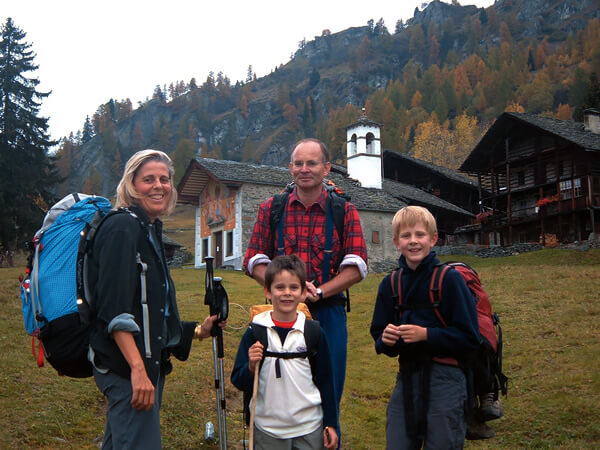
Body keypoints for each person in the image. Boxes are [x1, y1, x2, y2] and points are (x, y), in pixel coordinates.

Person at [88, 149, 226, 449]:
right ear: (131, 185)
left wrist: (197, 331)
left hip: (142, 364)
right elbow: (115, 309)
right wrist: (137, 370)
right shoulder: (122, 227)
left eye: (164, 179)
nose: (159, 186)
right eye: (148, 179)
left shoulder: (147, 228)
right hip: (127, 368)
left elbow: (152, 307)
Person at [243, 138, 368, 441]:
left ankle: (327, 439)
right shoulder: (271, 209)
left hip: (328, 312)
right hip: (282, 313)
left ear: (326, 168)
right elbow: (253, 260)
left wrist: (319, 292)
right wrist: (281, 288)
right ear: (290, 168)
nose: (304, 169)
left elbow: (357, 266)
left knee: (329, 385)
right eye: (298, 163)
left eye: (312, 163)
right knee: (279, 385)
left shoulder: (344, 210)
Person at [370, 206, 480, 449]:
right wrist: (386, 341)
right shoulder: (390, 284)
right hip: (407, 378)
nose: (413, 242)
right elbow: (379, 335)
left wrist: (426, 335)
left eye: (420, 235)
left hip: (447, 379)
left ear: (433, 239)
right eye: (406, 236)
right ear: (396, 242)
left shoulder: (449, 280)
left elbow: (471, 338)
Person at [231, 254, 338, 449]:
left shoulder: (314, 333)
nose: (287, 293)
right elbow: (238, 380)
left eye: (294, 287)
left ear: (304, 292)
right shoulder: (255, 332)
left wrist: (331, 423)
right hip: (267, 430)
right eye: (280, 287)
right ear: (267, 291)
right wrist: (251, 366)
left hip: (309, 428)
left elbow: (326, 382)